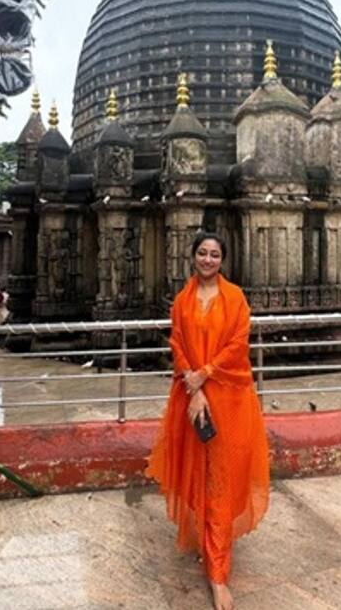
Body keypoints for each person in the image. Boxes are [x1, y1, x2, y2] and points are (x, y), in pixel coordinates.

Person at [146, 232, 269, 610]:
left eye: (215, 254)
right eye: (202, 252)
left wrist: (207, 373)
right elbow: (178, 344)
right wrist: (193, 383)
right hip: (192, 397)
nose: (208, 259)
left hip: (228, 398)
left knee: (221, 479)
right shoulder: (182, 300)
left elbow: (238, 344)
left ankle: (218, 575)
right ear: (193, 257)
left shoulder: (234, 298)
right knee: (199, 474)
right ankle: (209, 543)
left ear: (223, 260)